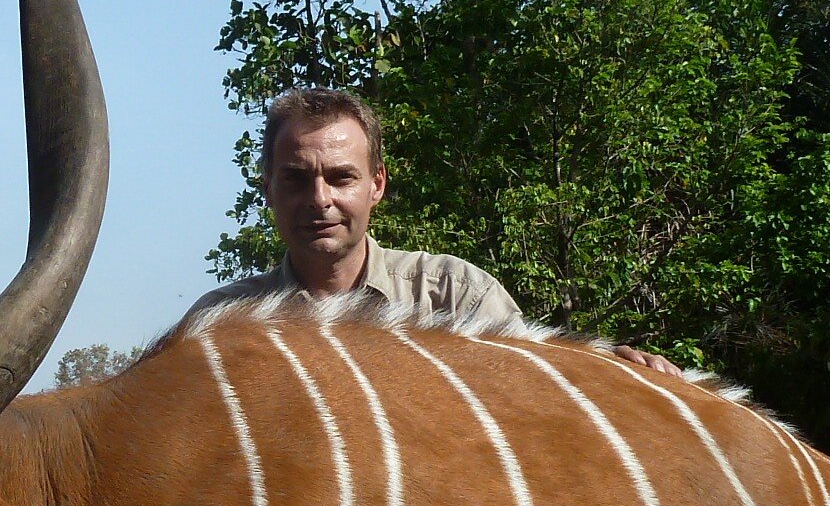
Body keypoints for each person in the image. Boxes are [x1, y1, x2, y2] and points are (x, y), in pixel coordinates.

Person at [187, 87, 681, 374]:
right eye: (296, 179)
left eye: (341, 177)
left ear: (376, 184)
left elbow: (538, 399)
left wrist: (609, 376)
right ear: (268, 188)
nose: (320, 200)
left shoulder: (454, 295)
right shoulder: (222, 325)